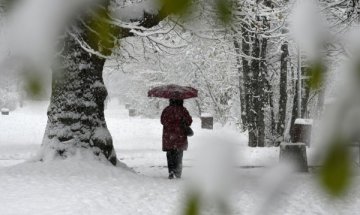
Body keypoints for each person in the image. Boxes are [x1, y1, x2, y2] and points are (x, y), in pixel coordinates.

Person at [161, 99, 192, 179]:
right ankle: (178, 172)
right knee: (179, 155)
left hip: (169, 137)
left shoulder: (167, 110)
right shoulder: (183, 110)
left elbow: (162, 121)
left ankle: (171, 171)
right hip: (180, 137)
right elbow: (189, 121)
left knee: (170, 155)